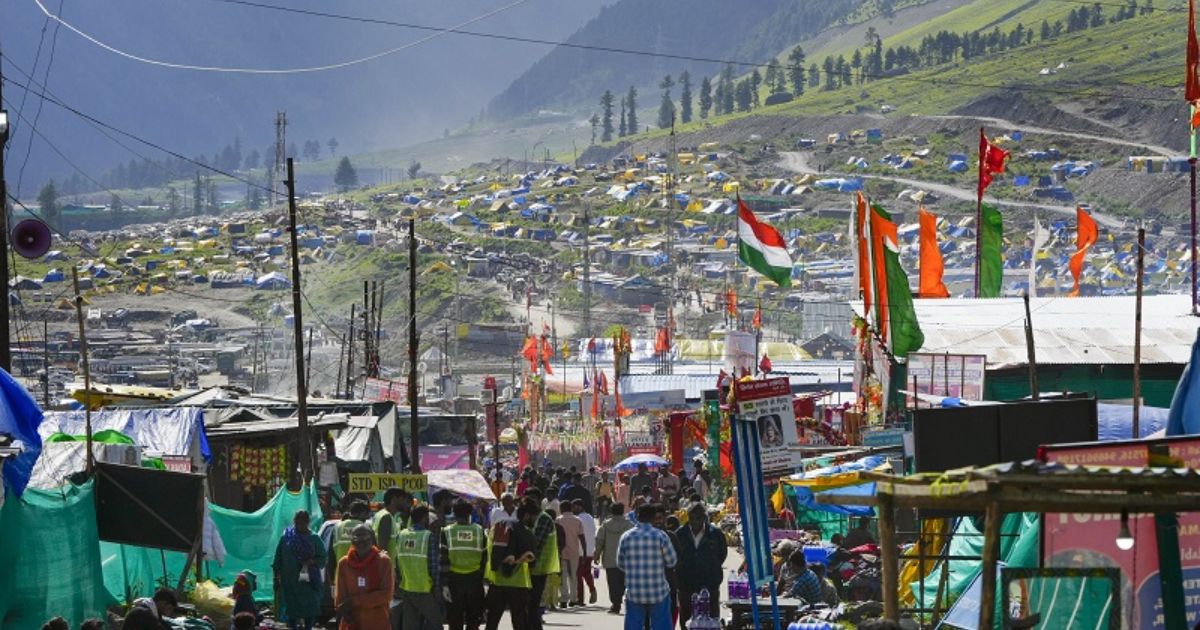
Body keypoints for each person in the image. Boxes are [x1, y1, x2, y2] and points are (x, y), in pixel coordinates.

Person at [617, 503, 678, 630]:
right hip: (658, 591)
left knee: (633, 625)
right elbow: (672, 561)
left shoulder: (626, 537)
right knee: (661, 624)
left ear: (637, 516)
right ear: (652, 517)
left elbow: (620, 563)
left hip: (634, 591)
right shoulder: (661, 536)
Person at [485, 499, 538, 630]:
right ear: (526, 515)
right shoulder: (527, 533)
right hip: (518, 585)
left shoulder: (499, 526)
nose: (534, 520)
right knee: (520, 622)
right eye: (534, 517)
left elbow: (490, 549)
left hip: (497, 582)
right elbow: (532, 560)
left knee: (492, 621)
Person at [674, 502, 727, 629]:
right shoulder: (680, 534)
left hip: (709, 583)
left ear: (704, 517)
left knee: (711, 619)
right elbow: (675, 556)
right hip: (686, 583)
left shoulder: (715, 534)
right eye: (692, 518)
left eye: (698, 518)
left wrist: (710, 567)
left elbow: (722, 555)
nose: (695, 521)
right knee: (686, 619)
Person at [273, 510, 325, 630]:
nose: (299, 524)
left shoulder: (314, 539)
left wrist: (310, 562)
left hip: (308, 583)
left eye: (303, 521)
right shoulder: (287, 537)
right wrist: (276, 577)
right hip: (290, 582)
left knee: (309, 610)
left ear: (308, 522)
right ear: (294, 521)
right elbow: (278, 559)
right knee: (292, 611)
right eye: (297, 521)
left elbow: (323, 558)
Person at [334, 524, 394, 630]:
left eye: (365, 537)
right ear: (352, 541)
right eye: (357, 537)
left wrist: (355, 601)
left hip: (377, 622)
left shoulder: (383, 561)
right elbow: (340, 598)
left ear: (372, 538)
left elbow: (386, 595)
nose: (361, 541)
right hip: (351, 622)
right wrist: (344, 611)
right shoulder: (344, 563)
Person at [443, 500, 487, 630]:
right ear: (470, 514)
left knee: (455, 619)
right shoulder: (480, 531)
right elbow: (485, 557)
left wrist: (444, 584)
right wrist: (483, 579)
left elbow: (443, 559)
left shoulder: (447, 531)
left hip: (454, 581)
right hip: (475, 580)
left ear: (454, 514)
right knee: (474, 619)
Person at [396, 505, 442, 630]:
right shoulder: (428, 536)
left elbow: (398, 562)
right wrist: (437, 589)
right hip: (425, 589)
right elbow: (433, 565)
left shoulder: (401, 535)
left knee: (410, 626)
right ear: (425, 517)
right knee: (435, 624)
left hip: (407, 587)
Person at [373, 487, 412, 629]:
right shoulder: (385, 517)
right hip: (384, 572)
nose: (406, 503)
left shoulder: (386, 516)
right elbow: (381, 548)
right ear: (395, 499)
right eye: (403, 499)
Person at [524, 488, 560, 630]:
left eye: (533, 498)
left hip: (538, 568)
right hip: (533, 567)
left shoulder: (544, 519)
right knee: (530, 607)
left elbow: (536, 545)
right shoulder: (535, 519)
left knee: (532, 606)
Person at [594, 502, 634, 614]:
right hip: (625, 560)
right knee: (624, 582)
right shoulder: (629, 525)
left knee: (612, 583)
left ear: (611, 511)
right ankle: (622, 599)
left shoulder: (605, 525)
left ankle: (615, 604)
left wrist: (596, 555)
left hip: (610, 559)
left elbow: (600, 541)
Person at [330, 501, 372, 585]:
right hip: (360, 577)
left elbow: (331, 554)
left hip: (341, 576)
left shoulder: (337, 527)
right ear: (362, 513)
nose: (366, 518)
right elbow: (373, 553)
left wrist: (331, 577)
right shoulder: (366, 528)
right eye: (366, 515)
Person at [556, 500, 587, 607]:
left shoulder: (558, 520)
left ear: (562, 508)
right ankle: (573, 599)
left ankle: (563, 599)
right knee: (573, 576)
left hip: (562, 552)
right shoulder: (577, 520)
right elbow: (582, 538)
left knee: (563, 576)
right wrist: (584, 552)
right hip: (574, 552)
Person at [573, 499, 599, 605]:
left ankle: (580, 598)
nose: (573, 509)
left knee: (578, 575)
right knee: (587, 573)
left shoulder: (578, 519)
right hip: (590, 550)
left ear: (579, 507)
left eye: (574, 507)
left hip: (580, 551)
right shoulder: (589, 517)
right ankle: (592, 589)